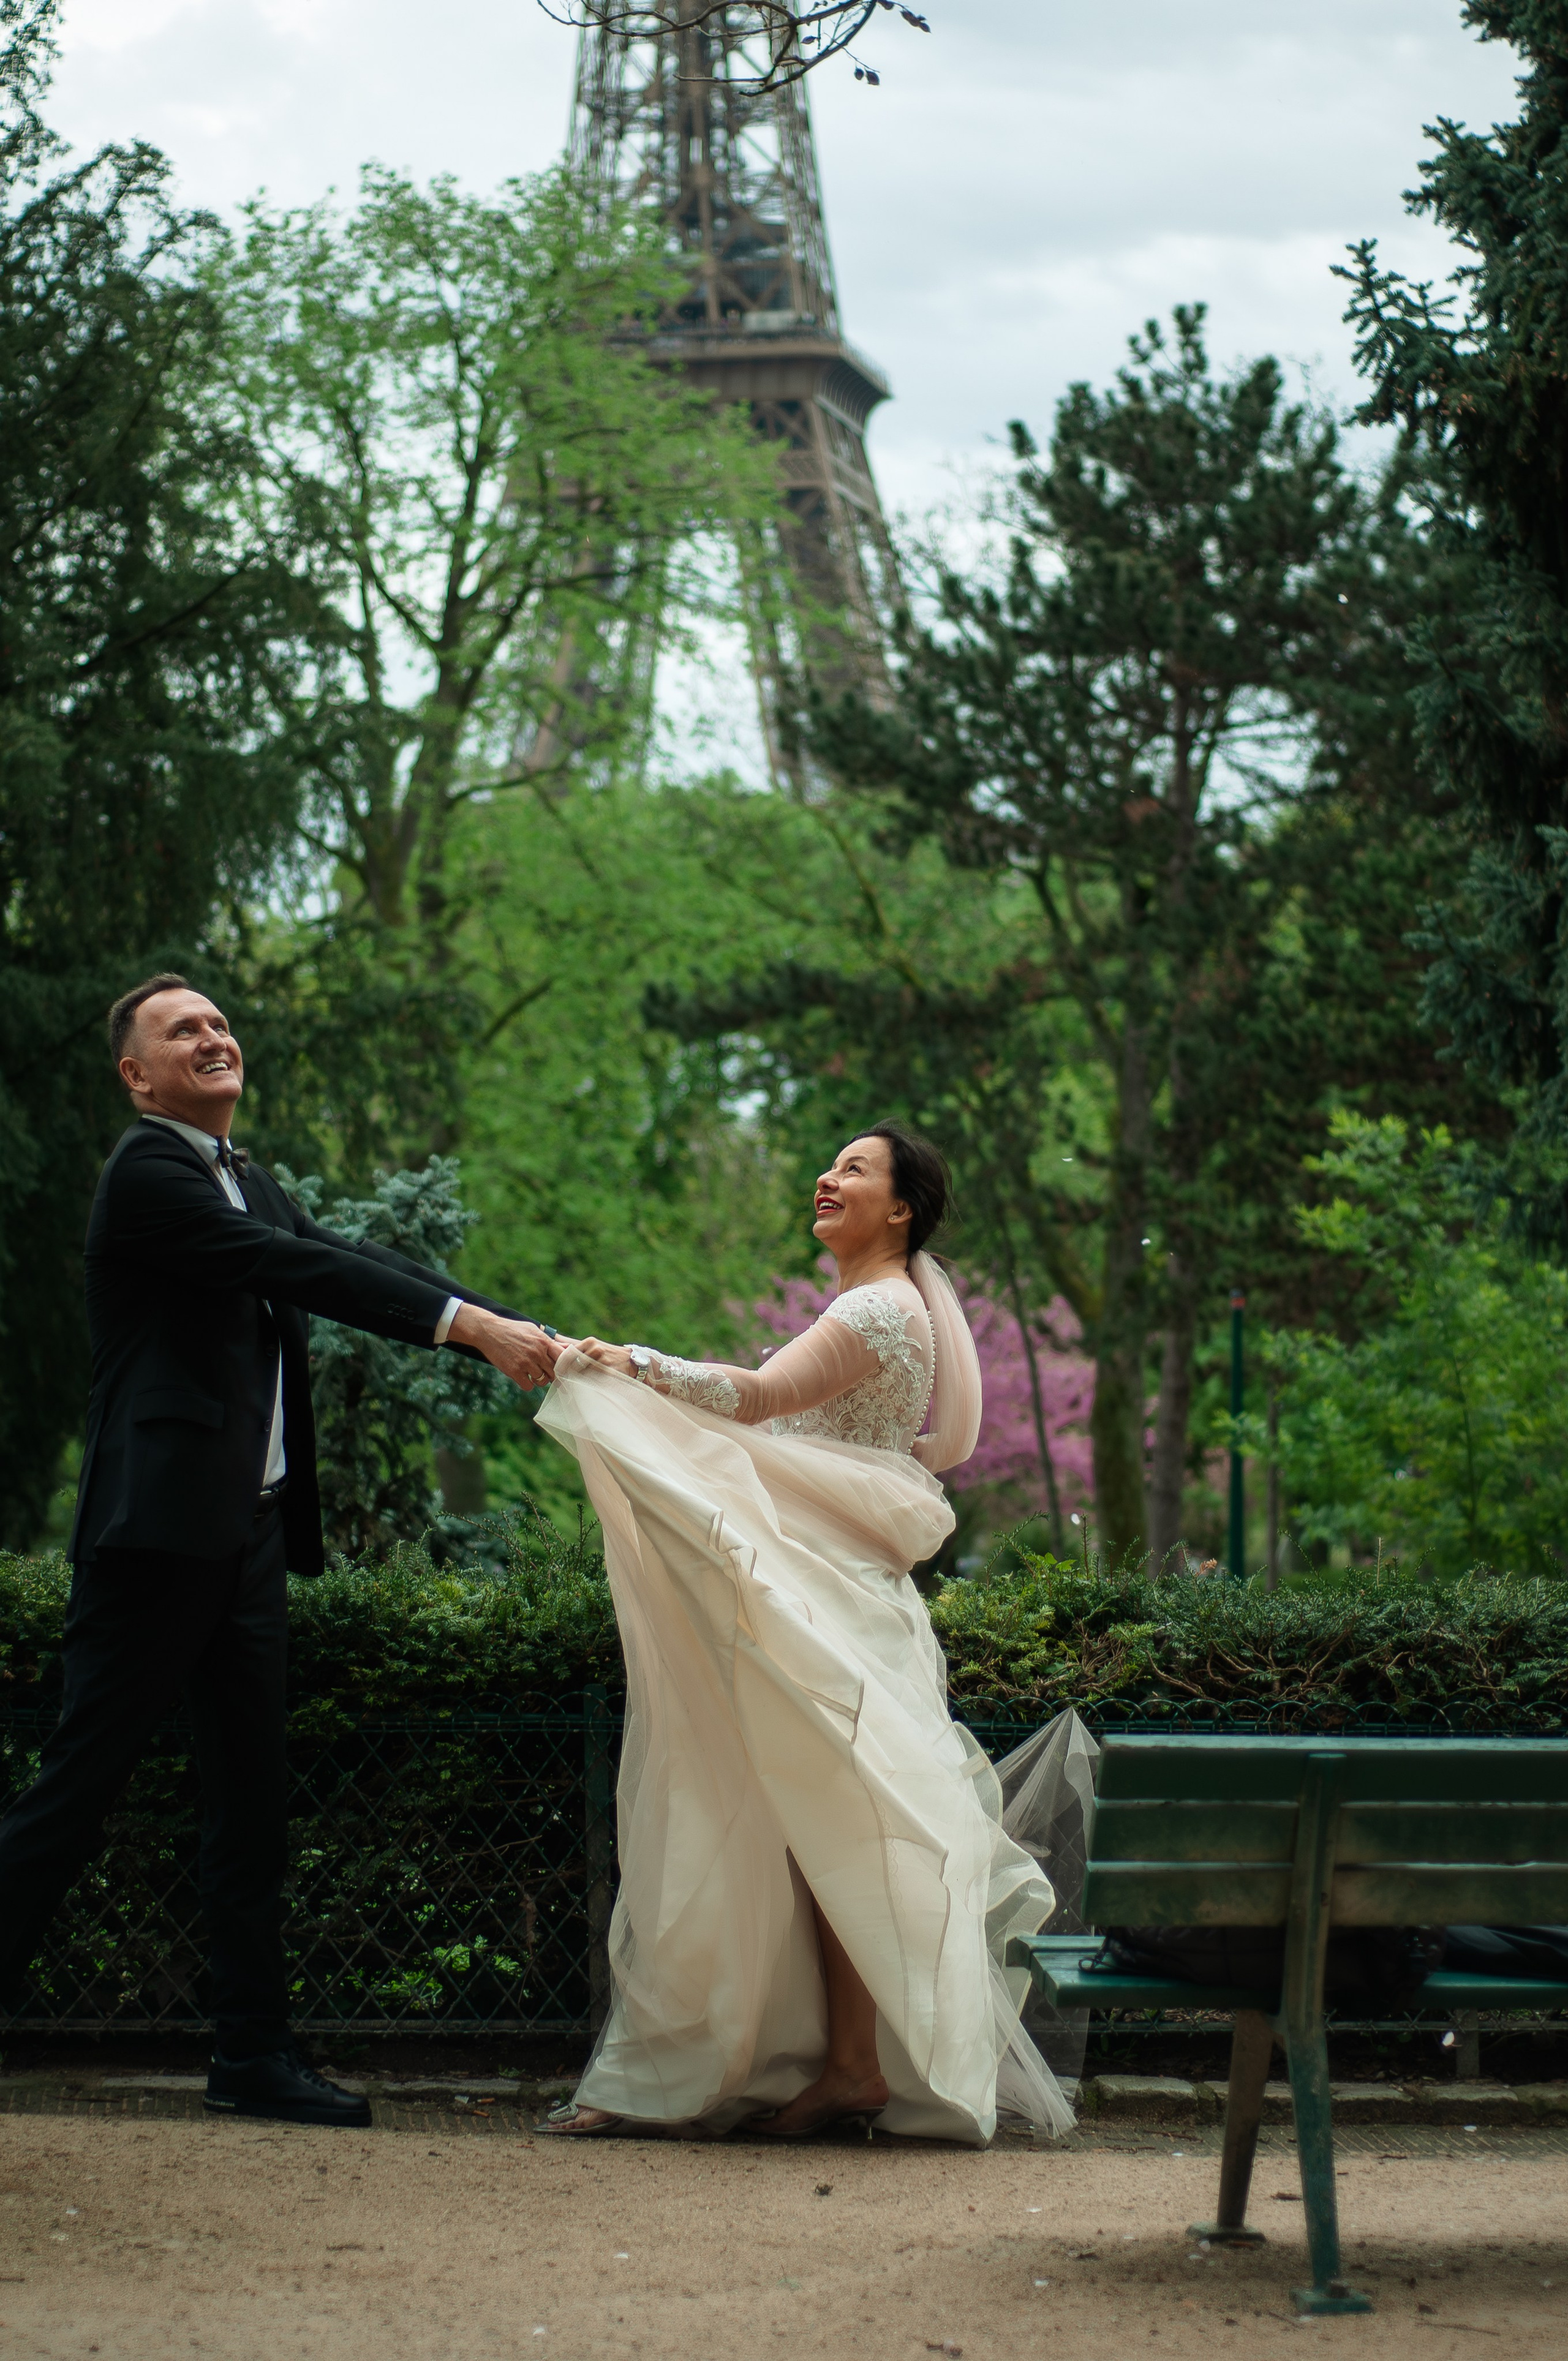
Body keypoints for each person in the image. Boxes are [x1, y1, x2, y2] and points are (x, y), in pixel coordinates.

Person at [0, 974, 559, 2127]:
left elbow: (362, 1255)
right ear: (135, 1074)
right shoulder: (147, 1173)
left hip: (248, 1538)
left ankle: (252, 2058)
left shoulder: (244, 1177)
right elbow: (299, 1271)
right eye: (180, 1030)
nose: (211, 1036)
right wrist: (470, 1331)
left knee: (250, 1806)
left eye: (216, 1022)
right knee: (75, 1792)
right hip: (155, 1541)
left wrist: (515, 1329)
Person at [534, 1122, 1073, 2144]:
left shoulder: (876, 1307)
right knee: (827, 1822)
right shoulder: (894, 1304)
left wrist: (627, 1364)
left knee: (806, 1818)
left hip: (827, 1593)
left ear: (902, 1209)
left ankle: (822, 2064)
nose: (828, 1178)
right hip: (849, 1591)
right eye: (831, 1166)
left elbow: (760, 1398)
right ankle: (846, 2063)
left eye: (856, 1170)